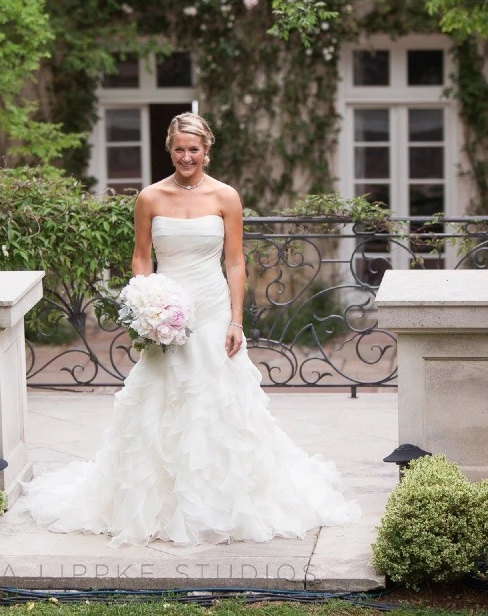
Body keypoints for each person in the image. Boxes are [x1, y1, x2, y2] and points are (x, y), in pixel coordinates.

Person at [23, 113, 360, 547]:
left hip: (213, 308)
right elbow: (141, 257)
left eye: (194, 149)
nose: (187, 156)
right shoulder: (149, 197)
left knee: (214, 400)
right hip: (164, 311)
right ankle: (158, 502)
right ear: (170, 149)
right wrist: (144, 304)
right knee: (161, 398)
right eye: (180, 149)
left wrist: (237, 319)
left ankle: (221, 500)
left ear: (207, 150)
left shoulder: (226, 196)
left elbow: (236, 261)